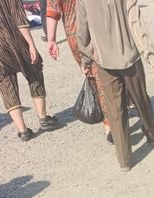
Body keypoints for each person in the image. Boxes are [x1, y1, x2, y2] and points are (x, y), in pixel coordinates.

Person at [76, 0, 154, 171]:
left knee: (115, 110)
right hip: (130, 56)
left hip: (104, 60)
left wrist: (85, 58)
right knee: (141, 99)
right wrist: (150, 55)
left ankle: (124, 160)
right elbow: (135, 21)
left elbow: (82, 29)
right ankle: (152, 132)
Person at [45, 0, 111, 142]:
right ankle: (111, 121)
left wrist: (51, 39)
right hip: (101, 27)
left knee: (95, 76)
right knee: (106, 75)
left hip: (76, 34)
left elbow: (53, 10)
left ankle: (109, 124)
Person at [0, 0, 59, 141]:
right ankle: (43, 118)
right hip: (17, 40)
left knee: (5, 83)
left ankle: (23, 130)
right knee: (34, 71)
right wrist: (31, 44)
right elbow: (19, 18)